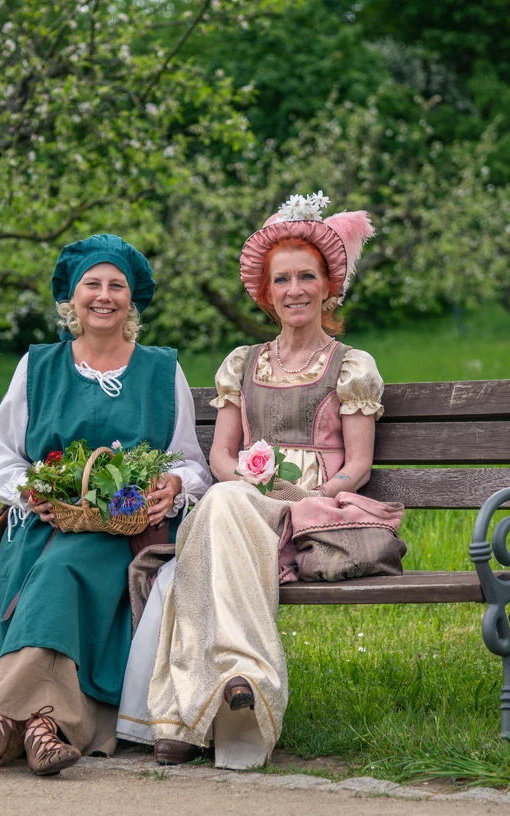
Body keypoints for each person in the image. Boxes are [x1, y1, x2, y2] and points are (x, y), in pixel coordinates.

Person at [123, 193, 386, 769]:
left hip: (312, 512)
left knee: (214, 518)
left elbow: (358, 467)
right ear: (266, 292)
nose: (295, 289)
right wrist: (246, 484)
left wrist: (299, 496)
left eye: (306, 277)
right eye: (283, 279)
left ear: (327, 287)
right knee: (222, 505)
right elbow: (220, 455)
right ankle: (244, 680)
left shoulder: (352, 365)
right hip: (241, 500)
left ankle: (181, 720)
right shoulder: (242, 363)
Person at [0, 234, 211, 776]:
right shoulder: (38, 366)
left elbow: (191, 462)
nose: (103, 295)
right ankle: (45, 729)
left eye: (116, 285)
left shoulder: (162, 370)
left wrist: (173, 486)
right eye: (91, 284)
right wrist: (32, 488)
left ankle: (6, 718)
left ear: (131, 300)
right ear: (70, 300)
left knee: (59, 571)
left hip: (126, 533)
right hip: (46, 524)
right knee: (54, 564)